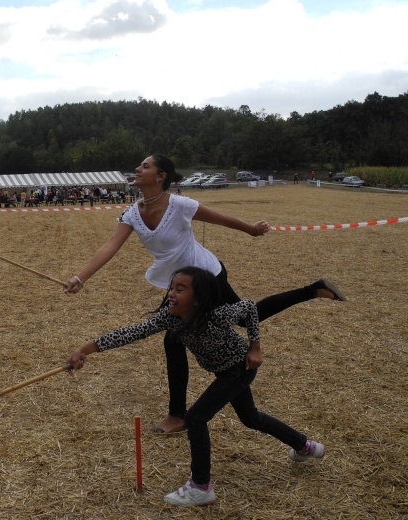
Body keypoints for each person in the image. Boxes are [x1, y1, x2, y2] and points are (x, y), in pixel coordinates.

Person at [64, 154, 344, 434]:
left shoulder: (180, 205)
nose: (137, 169)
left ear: (161, 176)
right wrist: (81, 277)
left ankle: (312, 290)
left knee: (234, 322)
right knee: (175, 338)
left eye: (145, 166)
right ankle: (177, 414)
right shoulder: (132, 213)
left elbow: (220, 219)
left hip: (207, 275)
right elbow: (109, 247)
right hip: (180, 283)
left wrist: (252, 230)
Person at [67, 267, 327, 507]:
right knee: (251, 418)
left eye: (180, 289)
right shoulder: (170, 319)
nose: (171, 293)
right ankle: (305, 447)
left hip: (239, 368)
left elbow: (249, 307)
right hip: (225, 371)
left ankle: (201, 486)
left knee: (196, 417)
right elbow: (132, 332)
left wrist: (255, 348)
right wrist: (85, 349)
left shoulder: (217, 314)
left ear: (198, 298)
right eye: (172, 287)